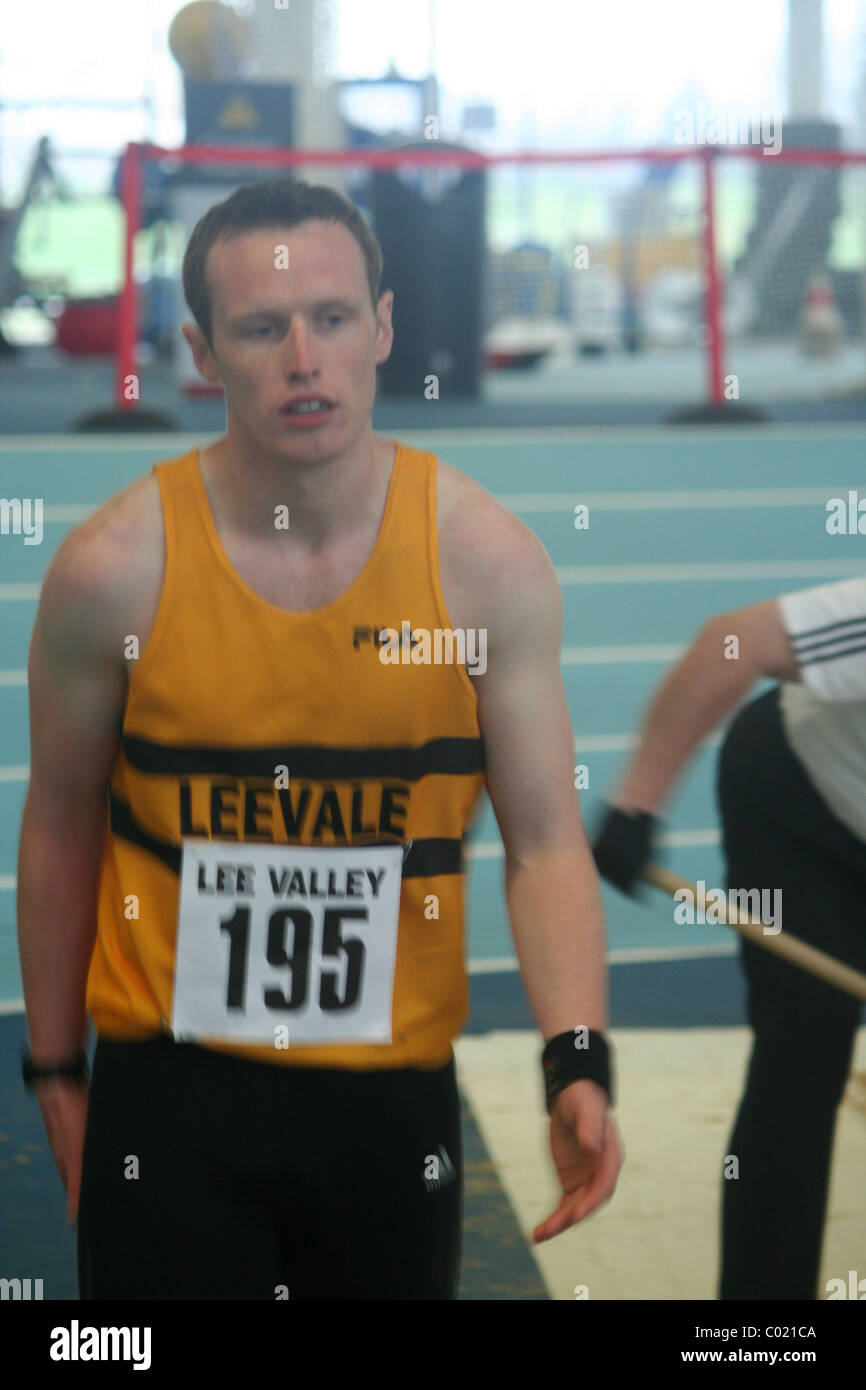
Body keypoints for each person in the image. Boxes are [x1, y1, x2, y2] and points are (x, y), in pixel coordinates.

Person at [17, 176, 623, 1301]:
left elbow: (544, 842)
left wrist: (574, 1058)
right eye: (261, 328)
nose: (304, 358)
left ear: (384, 328)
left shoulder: (486, 569)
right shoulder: (112, 574)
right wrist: (55, 1071)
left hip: (389, 1108)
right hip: (173, 1096)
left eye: (334, 319)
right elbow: (58, 820)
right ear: (203, 351)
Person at [592, 580, 866, 1300]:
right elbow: (731, 641)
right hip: (801, 800)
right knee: (802, 1056)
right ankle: (762, 1334)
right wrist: (635, 805)